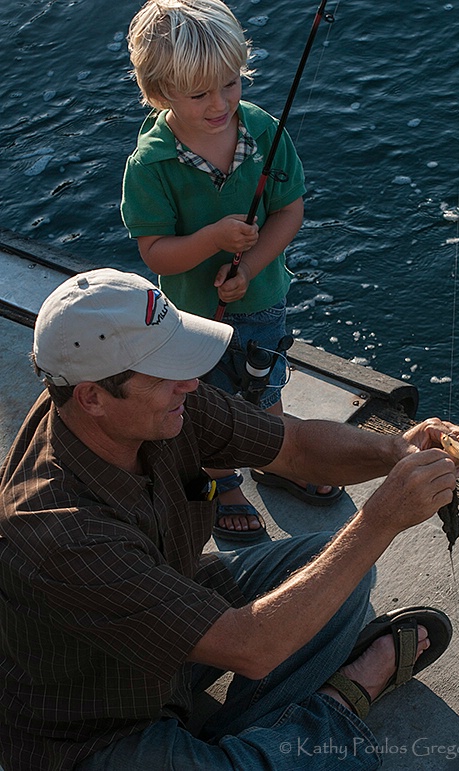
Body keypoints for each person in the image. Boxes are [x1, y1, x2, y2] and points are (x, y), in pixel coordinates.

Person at [0, 268, 459, 771]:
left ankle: (254, 741)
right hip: (91, 725)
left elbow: (292, 445)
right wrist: (381, 519)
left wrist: (394, 451)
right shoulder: (57, 529)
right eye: (165, 371)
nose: (190, 380)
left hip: (164, 623)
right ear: (92, 397)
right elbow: (252, 648)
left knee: (335, 566)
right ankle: (340, 703)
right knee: (336, 574)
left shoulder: (157, 404)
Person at [120, 0, 342, 542]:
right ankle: (223, 480)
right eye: (199, 94)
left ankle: (275, 458)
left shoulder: (264, 131)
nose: (220, 103)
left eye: (231, 84)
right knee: (204, 399)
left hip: (263, 301)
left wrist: (252, 263)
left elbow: (290, 210)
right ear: (160, 91)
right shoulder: (149, 165)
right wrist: (211, 240)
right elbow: (155, 253)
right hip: (193, 318)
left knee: (267, 388)